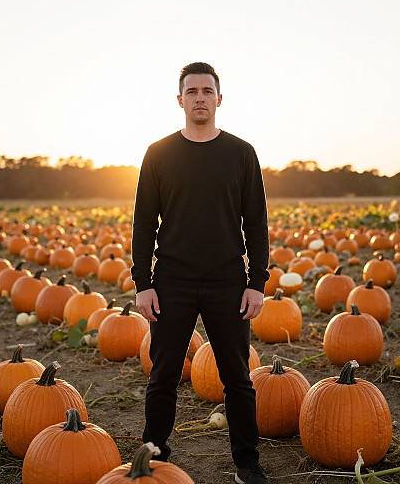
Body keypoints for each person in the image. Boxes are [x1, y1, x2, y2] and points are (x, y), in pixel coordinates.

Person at [131, 62, 270, 484]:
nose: (199, 98)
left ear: (219, 99)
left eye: (207, 91)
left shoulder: (241, 153)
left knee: (237, 379)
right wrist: (144, 283)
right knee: (163, 376)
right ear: (180, 100)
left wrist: (256, 282)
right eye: (191, 92)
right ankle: (155, 459)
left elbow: (256, 222)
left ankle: (247, 464)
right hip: (172, 280)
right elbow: (143, 221)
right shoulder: (158, 154)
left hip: (228, 281)